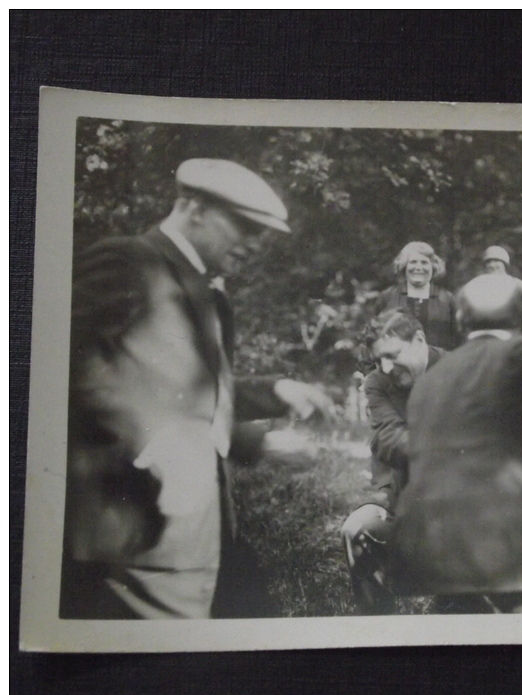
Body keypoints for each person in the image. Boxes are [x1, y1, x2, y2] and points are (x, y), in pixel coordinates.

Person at [62, 158, 333, 619]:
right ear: (194, 207)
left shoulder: (201, 288)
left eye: (259, 231)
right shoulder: (126, 261)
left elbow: (185, 396)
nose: (253, 243)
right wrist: (153, 451)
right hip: (135, 536)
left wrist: (271, 403)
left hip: (194, 538)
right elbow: (52, 367)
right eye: (244, 226)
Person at [389, 275, 522, 613]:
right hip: (506, 532)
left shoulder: (432, 377)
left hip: (426, 541)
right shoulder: (516, 352)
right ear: (521, 318)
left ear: (461, 321)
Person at [340, 310, 444, 614]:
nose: (385, 367)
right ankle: (377, 631)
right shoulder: (378, 382)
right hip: (407, 502)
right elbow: (389, 439)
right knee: (354, 530)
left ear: (419, 340)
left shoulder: (461, 369)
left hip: (468, 509)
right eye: (378, 358)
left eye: (392, 355)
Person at [375, 240, 458, 350]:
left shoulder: (448, 299)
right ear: (404, 266)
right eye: (413, 262)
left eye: (424, 262)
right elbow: (376, 336)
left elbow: (458, 339)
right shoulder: (387, 297)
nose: (418, 267)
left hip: (440, 364)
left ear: (433, 267)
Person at [482, 245, 522, 339]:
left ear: (504, 264)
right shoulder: (480, 287)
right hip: (489, 338)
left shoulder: (518, 285)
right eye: (489, 262)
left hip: (515, 336)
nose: (492, 265)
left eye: (496, 261)